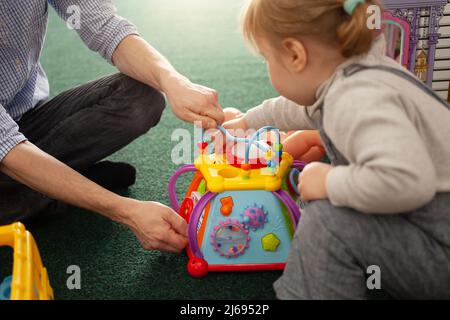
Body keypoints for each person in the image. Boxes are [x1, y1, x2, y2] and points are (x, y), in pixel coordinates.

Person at [224, 0, 450, 299]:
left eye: (267, 57)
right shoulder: (362, 68)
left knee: (326, 222)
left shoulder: (355, 97)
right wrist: (247, 121)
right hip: (430, 226)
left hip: (439, 245)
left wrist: (328, 180)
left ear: (295, 54)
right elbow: (304, 107)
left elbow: (407, 181)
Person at [0, 1, 224, 253]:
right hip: (6, 148)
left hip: (28, 119)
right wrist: (124, 210)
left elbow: (105, 26)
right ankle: (49, 194)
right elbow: (7, 148)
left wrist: (173, 82)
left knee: (141, 97)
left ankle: (51, 188)